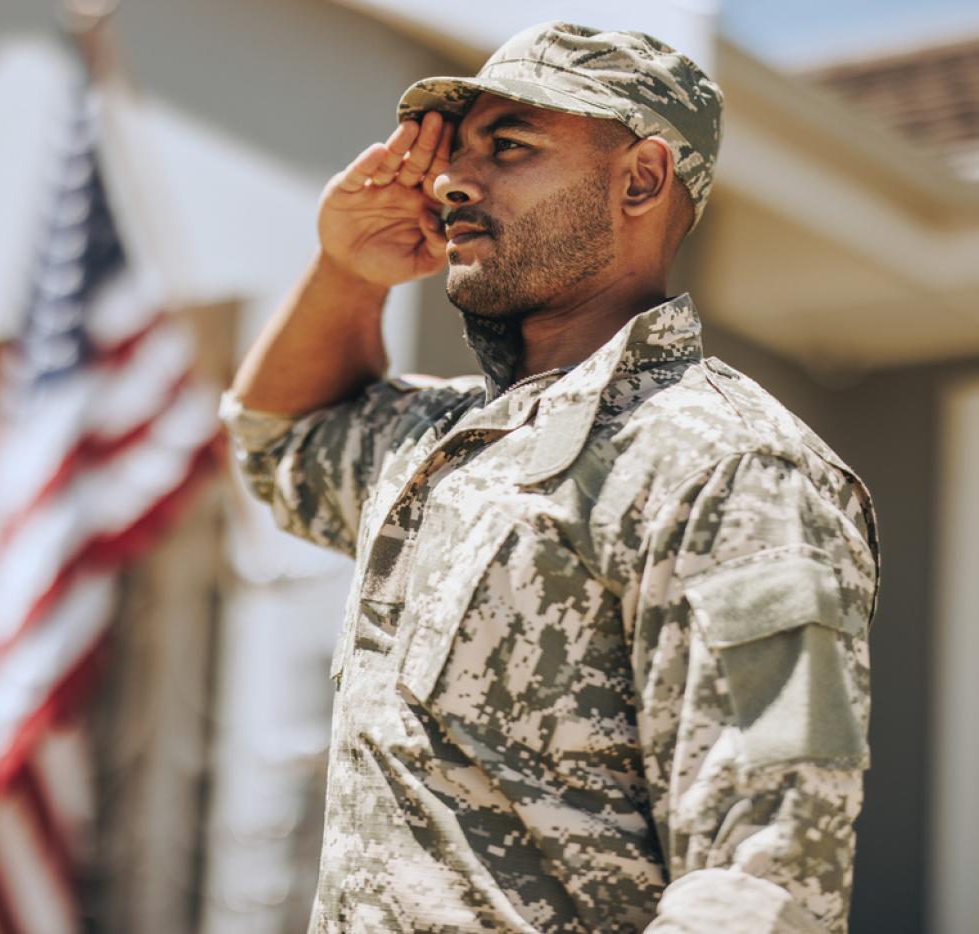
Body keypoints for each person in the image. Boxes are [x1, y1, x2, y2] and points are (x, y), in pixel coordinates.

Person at [218, 20, 880, 934]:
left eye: (509, 147)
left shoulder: (729, 466)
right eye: (454, 152)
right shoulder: (445, 439)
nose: (451, 180)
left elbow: (764, 876)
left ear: (640, 179)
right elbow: (281, 442)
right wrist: (346, 272)